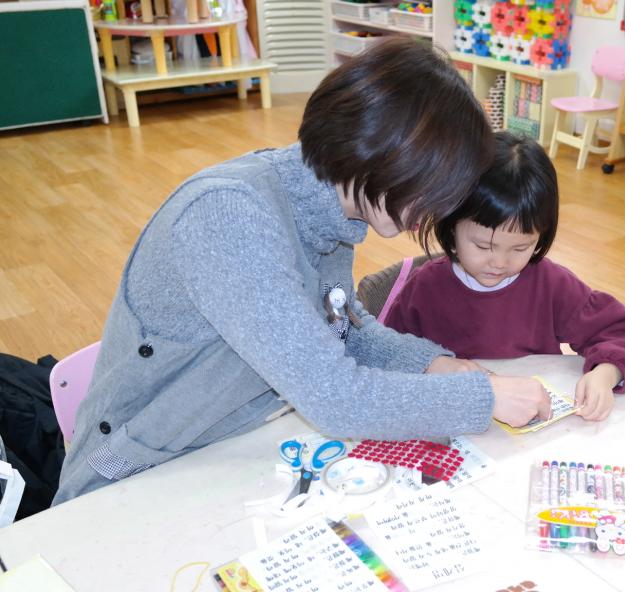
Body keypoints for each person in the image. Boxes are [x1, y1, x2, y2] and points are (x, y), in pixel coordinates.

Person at [54, 40, 551, 504]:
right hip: (134, 474)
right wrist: (481, 398)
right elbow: (336, 398)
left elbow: (343, 326)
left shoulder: (334, 208)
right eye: (436, 187)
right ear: (384, 153)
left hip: (235, 444)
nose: (438, 210)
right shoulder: (229, 215)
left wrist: (431, 364)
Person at [384, 132, 625, 421]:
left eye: (521, 248)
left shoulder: (552, 285)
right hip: (454, 424)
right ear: (450, 226)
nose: (499, 263)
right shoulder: (424, 289)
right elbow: (387, 356)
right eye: (483, 246)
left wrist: (605, 374)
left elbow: (620, 332)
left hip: (532, 424)